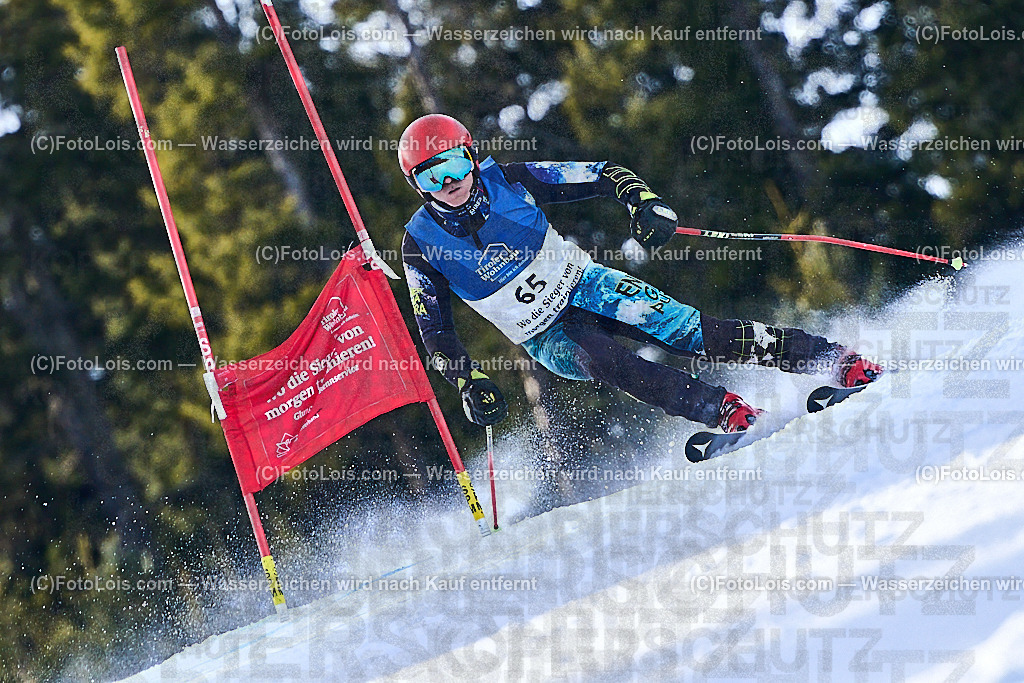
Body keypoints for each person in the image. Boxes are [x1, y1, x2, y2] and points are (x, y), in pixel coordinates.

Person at [397, 114, 881, 433]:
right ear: (417, 185)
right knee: (608, 361)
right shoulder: (419, 244)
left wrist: (643, 202)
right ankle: (721, 410)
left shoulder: (513, 180)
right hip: (545, 335)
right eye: (430, 176)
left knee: (687, 330)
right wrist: (466, 381)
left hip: (587, 285)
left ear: (472, 157)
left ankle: (829, 359)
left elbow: (605, 173)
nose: (450, 183)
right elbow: (435, 332)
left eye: (455, 164)